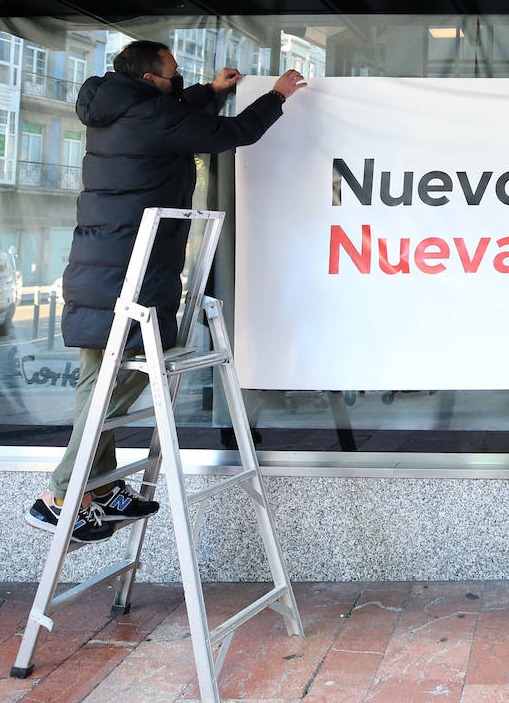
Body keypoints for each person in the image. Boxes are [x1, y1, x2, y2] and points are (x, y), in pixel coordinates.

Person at [25, 40, 306, 542]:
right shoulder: (153, 116)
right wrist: (278, 95)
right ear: (152, 77)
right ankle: (64, 494)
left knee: (101, 376)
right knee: (123, 377)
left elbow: (172, 113)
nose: (178, 78)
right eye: (173, 71)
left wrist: (208, 91)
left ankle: (98, 490)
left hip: (109, 262)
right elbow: (232, 132)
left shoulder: (119, 108)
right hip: (133, 264)